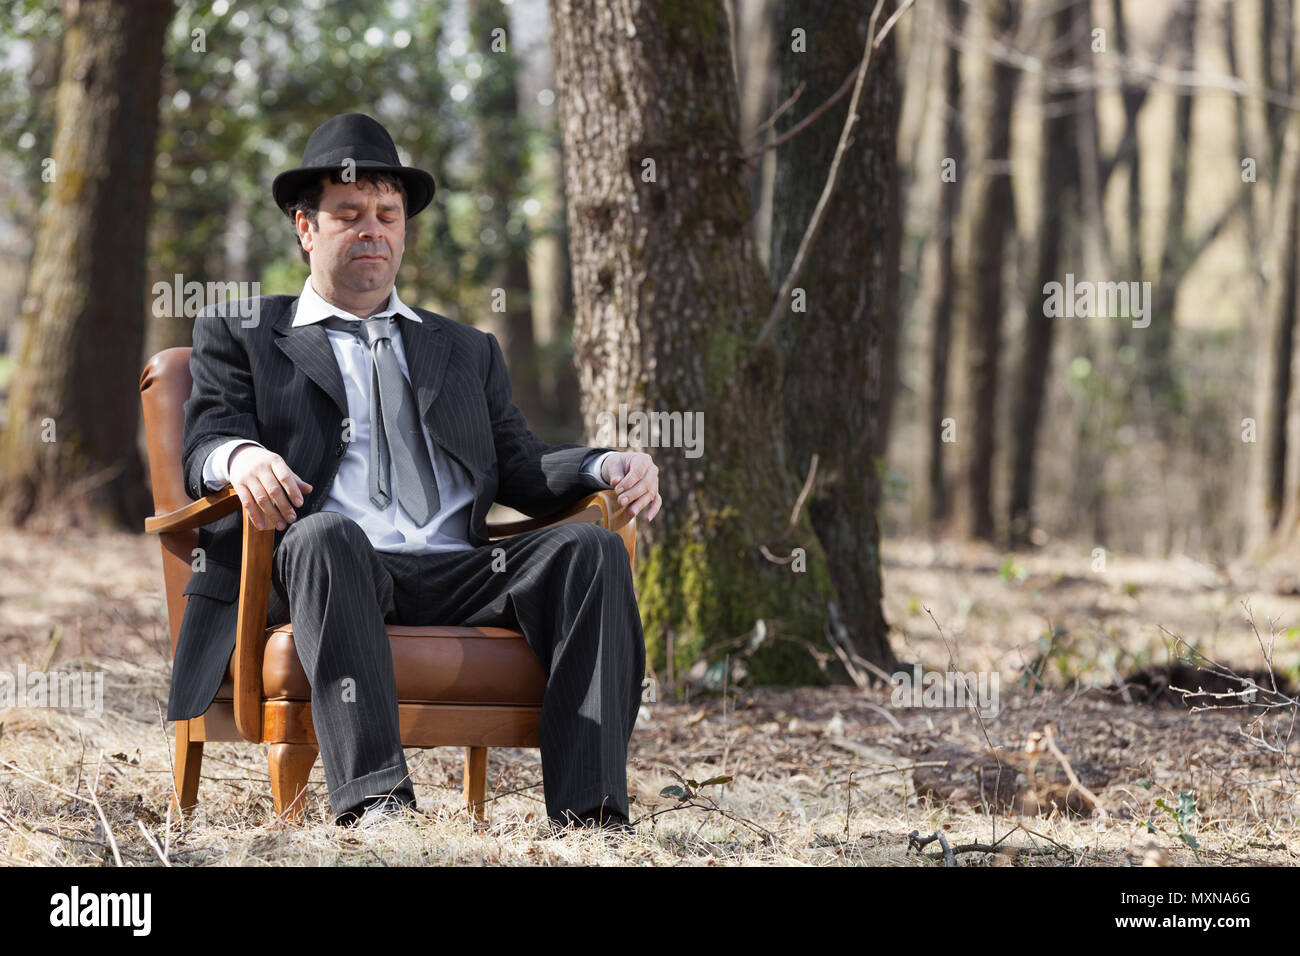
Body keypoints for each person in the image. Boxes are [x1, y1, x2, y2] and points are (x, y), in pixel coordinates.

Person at [167, 112, 659, 832]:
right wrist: (241, 458)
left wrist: (601, 461)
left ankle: (592, 812)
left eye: (387, 214)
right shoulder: (241, 332)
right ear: (306, 227)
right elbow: (205, 440)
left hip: (464, 571)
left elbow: (520, 469)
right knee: (327, 534)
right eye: (349, 214)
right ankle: (377, 804)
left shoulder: (464, 350)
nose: (372, 229)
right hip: (333, 565)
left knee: (590, 548)